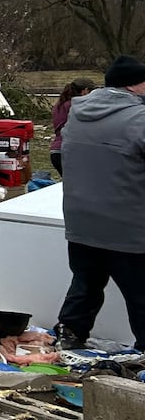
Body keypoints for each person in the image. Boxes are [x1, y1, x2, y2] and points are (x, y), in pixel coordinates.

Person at [52, 55, 145, 350]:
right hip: (127, 225)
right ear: (135, 86)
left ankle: (69, 334)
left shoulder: (78, 114)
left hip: (81, 221)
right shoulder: (138, 120)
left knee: (87, 283)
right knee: (141, 293)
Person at [50, 77, 94, 176]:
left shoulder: (60, 105)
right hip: (70, 151)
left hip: (56, 150)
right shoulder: (77, 106)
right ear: (85, 91)